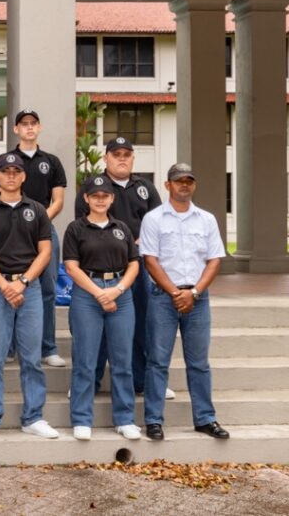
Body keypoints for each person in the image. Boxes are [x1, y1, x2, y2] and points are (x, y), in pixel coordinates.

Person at [73, 137, 173, 401]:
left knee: (139, 325)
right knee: (94, 331)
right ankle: (90, 382)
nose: (122, 158)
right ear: (106, 157)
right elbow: (81, 228)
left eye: (127, 154)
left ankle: (141, 381)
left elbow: (159, 224)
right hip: (98, 268)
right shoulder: (93, 187)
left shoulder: (145, 187)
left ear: (132, 158)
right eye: (116, 154)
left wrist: (136, 244)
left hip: (138, 265)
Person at [0, 152, 57, 440]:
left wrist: (22, 282)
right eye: (5, 171)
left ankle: (33, 417)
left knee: (31, 358)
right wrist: (5, 285)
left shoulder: (37, 210)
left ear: (23, 176)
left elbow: (45, 251)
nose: (10, 175)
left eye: (16, 171)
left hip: (28, 289)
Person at [140, 163, 229, 441]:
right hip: (163, 299)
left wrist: (194, 293)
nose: (184, 185)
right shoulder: (154, 219)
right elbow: (150, 261)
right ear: (167, 185)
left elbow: (214, 260)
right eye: (179, 181)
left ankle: (205, 419)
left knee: (199, 362)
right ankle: (154, 420)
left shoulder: (207, 219)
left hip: (198, 300)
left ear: (194, 185)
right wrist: (176, 294)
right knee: (157, 361)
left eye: (189, 180)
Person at [63, 175, 142, 441]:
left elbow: (133, 263)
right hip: (88, 292)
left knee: (122, 360)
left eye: (104, 195)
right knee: (85, 360)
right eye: (94, 195)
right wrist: (99, 293)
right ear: (86, 198)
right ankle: (82, 418)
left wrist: (117, 290)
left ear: (112, 198)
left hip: (120, 291)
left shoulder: (121, 228)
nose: (100, 200)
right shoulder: (76, 229)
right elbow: (71, 267)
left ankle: (125, 419)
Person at [10, 109, 68, 368]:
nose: (29, 128)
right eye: (24, 124)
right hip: (11, 233)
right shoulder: (7, 160)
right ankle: (10, 347)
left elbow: (58, 201)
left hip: (45, 232)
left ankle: (48, 347)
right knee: (10, 288)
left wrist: (38, 221)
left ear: (39, 127)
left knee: (46, 288)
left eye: (34, 123)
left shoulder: (52, 161)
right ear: (16, 129)